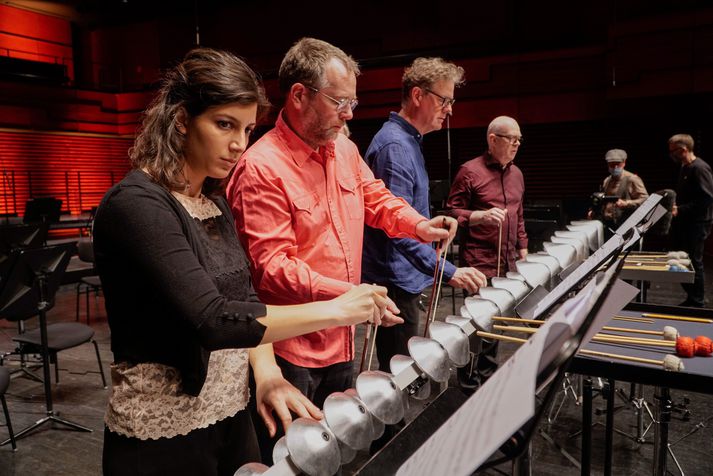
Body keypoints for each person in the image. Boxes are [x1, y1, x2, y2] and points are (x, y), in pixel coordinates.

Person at [94, 47, 390, 476]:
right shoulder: (137, 205)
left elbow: (246, 299)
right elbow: (213, 320)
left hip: (231, 414)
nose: (238, 144)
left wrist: (268, 375)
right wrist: (341, 308)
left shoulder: (213, 206)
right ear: (181, 120)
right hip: (162, 433)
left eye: (247, 129)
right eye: (224, 124)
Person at [227, 37, 456, 407]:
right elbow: (272, 270)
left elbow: (376, 197)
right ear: (299, 95)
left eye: (353, 102)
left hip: (342, 336)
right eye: (339, 102)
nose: (349, 113)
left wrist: (419, 225)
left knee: (332, 451)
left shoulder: (343, 149)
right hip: (290, 349)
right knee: (292, 456)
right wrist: (349, 297)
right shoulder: (261, 168)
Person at [362, 57, 486, 373]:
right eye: (445, 100)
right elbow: (397, 227)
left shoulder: (408, 142)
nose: (450, 110)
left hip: (404, 277)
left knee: (403, 372)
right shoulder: (396, 147)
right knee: (398, 379)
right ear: (418, 96)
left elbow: (412, 215)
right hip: (394, 282)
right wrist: (447, 270)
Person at [446, 115, 528, 384]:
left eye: (519, 140)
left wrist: (523, 248)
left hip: (507, 263)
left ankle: (487, 379)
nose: (516, 144)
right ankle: (467, 383)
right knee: (476, 328)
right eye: (511, 139)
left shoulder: (517, 174)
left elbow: (519, 215)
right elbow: (450, 212)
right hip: (478, 264)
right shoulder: (469, 171)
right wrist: (477, 216)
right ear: (493, 140)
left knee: (496, 326)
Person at [668, 133, 713, 307]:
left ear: (683, 149)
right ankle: (691, 296)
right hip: (686, 222)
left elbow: (706, 198)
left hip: (698, 223)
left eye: (673, 151)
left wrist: (680, 209)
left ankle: (698, 300)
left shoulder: (700, 168)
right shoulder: (684, 167)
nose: (671, 155)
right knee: (684, 260)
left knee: (695, 261)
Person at [590, 148, 648, 230]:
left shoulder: (632, 179)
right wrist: (594, 210)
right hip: (608, 224)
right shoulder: (607, 180)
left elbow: (645, 199)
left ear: (624, 163)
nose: (615, 167)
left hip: (626, 225)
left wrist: (626, 203)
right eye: (612, 164)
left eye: (618, 164)